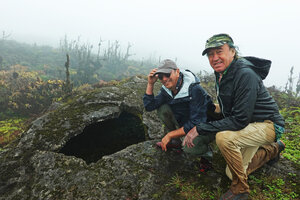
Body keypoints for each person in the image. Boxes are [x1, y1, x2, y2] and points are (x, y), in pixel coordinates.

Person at [183, 33, 285, 200]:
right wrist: (207, 108)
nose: (214, 58)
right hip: (250, 126)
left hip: (268, 125)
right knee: (232, 173)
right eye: (210, 54)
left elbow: (239, 120)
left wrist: (199, 128)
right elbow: (230, 108)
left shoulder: (245, 74)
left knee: (224, 138)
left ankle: (240, 189)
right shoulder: (223, 74)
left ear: (232, 51)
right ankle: (273, 149)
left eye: (219, 51)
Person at [143, 59, 216, 167]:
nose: (164, 79)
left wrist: (170, 134)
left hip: (203, 127)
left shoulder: (195, 89)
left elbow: (197, 121)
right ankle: (175, 142)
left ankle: (206, 155)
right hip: (185, 122)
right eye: (161, 76)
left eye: (167, 74)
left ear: (177, 71)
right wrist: (150, 84)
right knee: (162, 108)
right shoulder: (166, 91)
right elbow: (149, 106)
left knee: (189, 148)